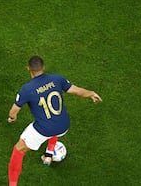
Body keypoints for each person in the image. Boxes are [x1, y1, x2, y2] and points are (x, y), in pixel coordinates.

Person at [7, 55, 102, 186]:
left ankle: (12, 184)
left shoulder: (27, 89)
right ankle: (49, 154)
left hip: (43, 129)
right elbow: (77, 91)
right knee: (54, 123)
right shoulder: (57, 78)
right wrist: (91, 93)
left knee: (18, 151)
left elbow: (13, 111)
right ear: (43, 67)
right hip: (64, 125)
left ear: (28, 68)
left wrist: (12, 118)